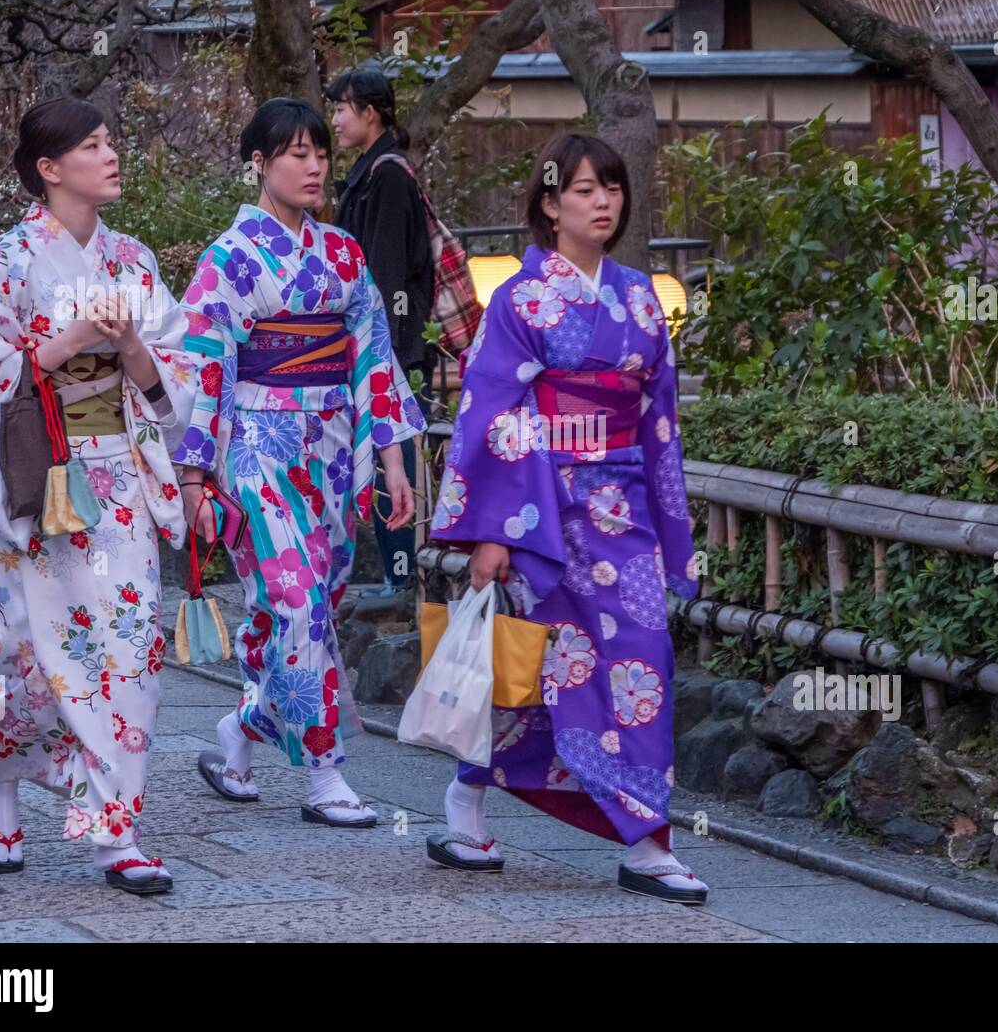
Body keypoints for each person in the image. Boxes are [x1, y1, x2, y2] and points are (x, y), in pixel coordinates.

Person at [425, 133, 709, 904]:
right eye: (585, 190)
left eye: (612, 188)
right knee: (538, 665)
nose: (603, 202)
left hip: (625, 510)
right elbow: (492, 408)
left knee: (643, 657)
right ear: (550, 205)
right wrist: (492, 533)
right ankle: (468, 801)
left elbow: (660, 419)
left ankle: (649, 839)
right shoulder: (521, 299)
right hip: (543, 514)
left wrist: (666, 515)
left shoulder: (643, 295)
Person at [0, 96, 199, 895]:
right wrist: (67, 343)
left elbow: (177, 383)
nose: (111, 154)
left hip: (119, 475)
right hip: (41, 479)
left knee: (129, 659)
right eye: (93, 145)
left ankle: (112, 833)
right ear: (50, 169)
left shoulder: (136, 260)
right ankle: (1, 794)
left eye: (109, 140)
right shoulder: (5, 263)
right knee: (31, 656)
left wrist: (128, 345)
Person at [173, 97, 425, 826]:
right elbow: (204, 367)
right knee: (298, 605)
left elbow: (372, 358)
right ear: (259, 162)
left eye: (321, 151)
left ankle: (244, 726)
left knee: (310, 608)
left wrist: (392, 460)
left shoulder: (342, 254)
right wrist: (194, 474)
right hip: (255, 447)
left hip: (335, 451)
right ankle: (325, 774)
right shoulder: (228, 261)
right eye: (296, 153)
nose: (315, 165)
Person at [330, 69, 435, 599]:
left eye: (342, 108)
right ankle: (393, 574)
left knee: (395, 454)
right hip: (377, 343)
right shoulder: (373, 172)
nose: (336, 120)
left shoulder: (388, 176)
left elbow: (386, 271)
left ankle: (402, 576)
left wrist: (380, 355)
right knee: (382, 456)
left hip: (390, 342)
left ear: (370, 110)